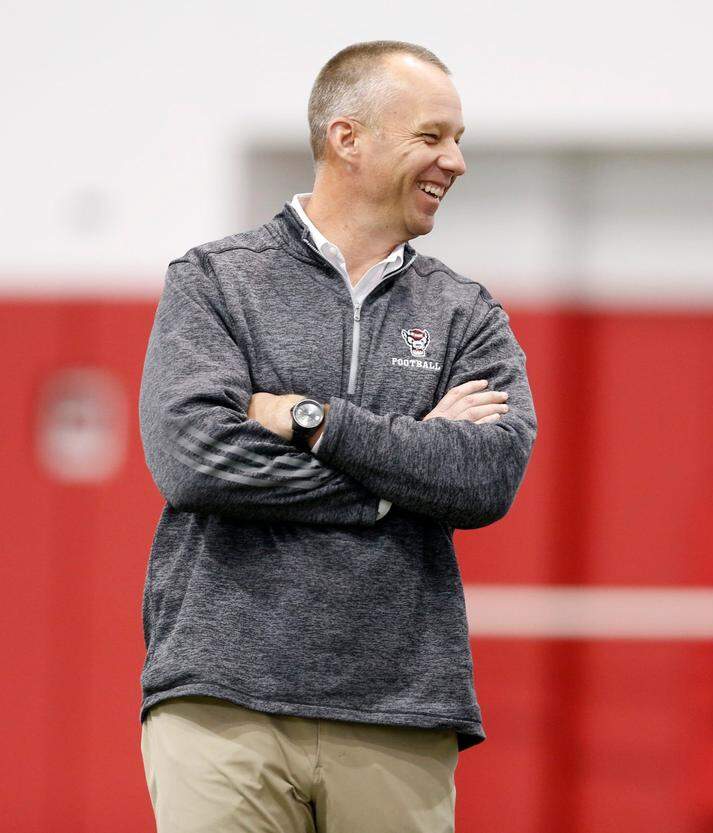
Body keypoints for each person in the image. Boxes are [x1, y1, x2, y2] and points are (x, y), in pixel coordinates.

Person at [138, 41, 536, 833]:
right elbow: (195, 460)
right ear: (346, 138)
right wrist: (394, 484)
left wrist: (314, 421)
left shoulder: (467, 313)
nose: (456, 161)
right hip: (221, 702)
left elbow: (486, 475)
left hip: (400, 710)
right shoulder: (215, 280)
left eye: (458, 140)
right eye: (432, 136)